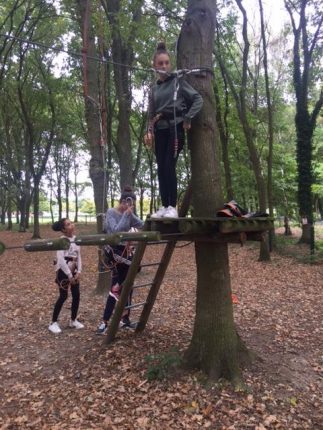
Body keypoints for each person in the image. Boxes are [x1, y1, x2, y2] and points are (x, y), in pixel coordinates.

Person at [144, 41, 203, 218]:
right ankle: (163, 206)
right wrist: (149, 131)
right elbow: (150, 113)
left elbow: (197, 99)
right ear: (154, 66)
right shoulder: (154, 89)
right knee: (161, 168)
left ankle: (172, 207)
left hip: (175, 129)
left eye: (166, 63)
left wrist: (187, 118)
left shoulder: (178, 82)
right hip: (160, 131)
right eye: (160, 63)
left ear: (170, 64)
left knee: (169, 166)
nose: (164, 66)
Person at [96, 186, 144, 334]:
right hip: (114, 253)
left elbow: (141, 224)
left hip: (125, 253)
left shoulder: (128, 214)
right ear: (122, 202)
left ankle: (125, 319)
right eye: (127, 203)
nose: (128, 206)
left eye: (131, 204)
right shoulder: (111, 212)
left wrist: (132, 215)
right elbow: (116, 232)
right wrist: (126, 215)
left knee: (128, 286)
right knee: (116, 288)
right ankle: (105, 322)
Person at [48, 218, 84, 334]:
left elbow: (79, 256)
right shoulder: (61, 241)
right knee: (63, 296)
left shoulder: (76, 239)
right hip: (63, 271)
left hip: (74, 271)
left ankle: (73, 320)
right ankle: (53, 323)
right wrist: (69, 275)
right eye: (68, 224)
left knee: (76, 295)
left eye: (71, 223)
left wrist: (79, 271)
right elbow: (60, 260)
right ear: (63, 229)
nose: (72, 225)